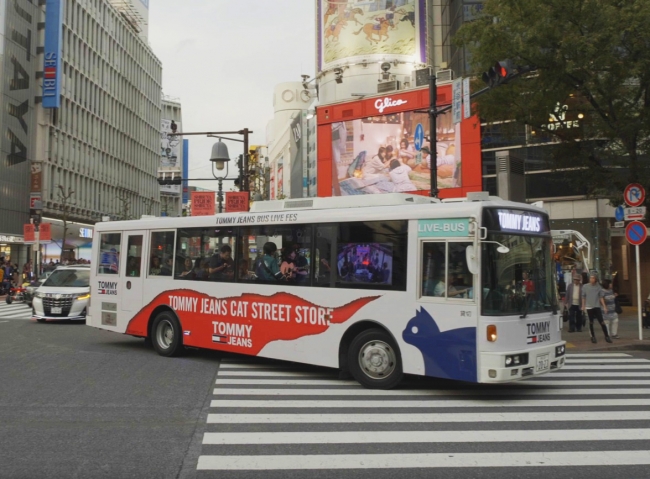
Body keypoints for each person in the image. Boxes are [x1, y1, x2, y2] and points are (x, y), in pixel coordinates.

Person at [582, 273, 612, 343]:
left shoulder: (598, 287)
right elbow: (583, 296)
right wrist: (583, 306)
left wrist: (604, 306)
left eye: (593, 278)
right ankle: (592, 336)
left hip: (597, 306)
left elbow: (601, 297)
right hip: (589, 306)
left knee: (602, 322)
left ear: (595, 279)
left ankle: (606, 336)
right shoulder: (585, 286)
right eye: (590, 278)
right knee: (591, 322)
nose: (591, 279)